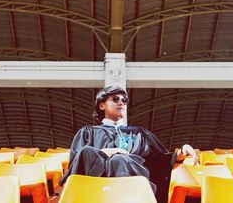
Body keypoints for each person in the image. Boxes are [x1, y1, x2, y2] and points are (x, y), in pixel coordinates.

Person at [59, 86, 198, 203]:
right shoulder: (87, 132)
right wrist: (105, 152)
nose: (121, 103)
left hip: (133, 181)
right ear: (102, 105)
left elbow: (162, 160)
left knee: (119, 160)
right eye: (115, 99)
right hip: (96, 183)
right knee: (89, 151)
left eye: (124, 100)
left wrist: (182, 152)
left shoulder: (139, 133)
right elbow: (77, 164)